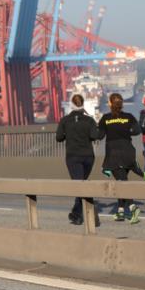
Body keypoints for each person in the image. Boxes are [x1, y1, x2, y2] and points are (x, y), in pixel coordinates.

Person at [97, 92, 142, 224]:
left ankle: (133, 208)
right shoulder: (129, 117)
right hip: (128, 152)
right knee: (122, 181)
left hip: (114, 153)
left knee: (121, 182)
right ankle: (121, 211)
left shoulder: (105, 118)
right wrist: (127, 131)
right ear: (121, 104)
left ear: (110, 103)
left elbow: (99, 135)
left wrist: (92, 131)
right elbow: (137, 131)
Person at [56, 94, 101, 226]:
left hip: (73, 157)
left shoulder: (65, 120)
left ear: (71, 104)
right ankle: (79, 214)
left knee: (79, 185)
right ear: (83, 104)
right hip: (88, 156)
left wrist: (68, 134)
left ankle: (83, 214)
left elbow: (58, 138)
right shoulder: (89, 120)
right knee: (82, 184)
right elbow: (94, 136)